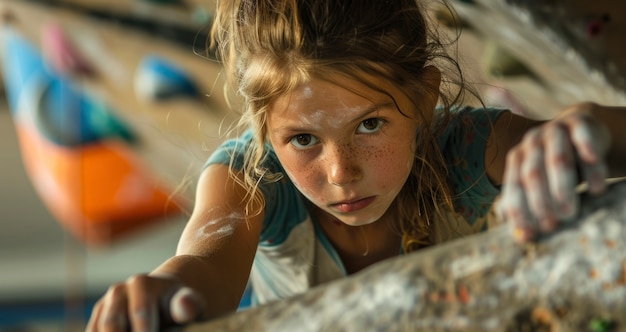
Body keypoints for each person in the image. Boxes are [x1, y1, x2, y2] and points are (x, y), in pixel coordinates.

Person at [86, 0, 626, 330]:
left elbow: (599, 139)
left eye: (369, 125)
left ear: (422, 98)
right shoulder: (252, 178)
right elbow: (206, 264)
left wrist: (583, 127)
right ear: (263, 131)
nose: (341, 173)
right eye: (301, 139)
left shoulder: (463, 146)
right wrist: (162, 289)